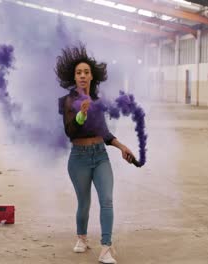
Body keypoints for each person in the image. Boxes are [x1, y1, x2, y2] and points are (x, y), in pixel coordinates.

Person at [56, 44, 134, 264]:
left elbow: (104, 132)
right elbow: (70, 130)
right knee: (84, 202)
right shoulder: (67, 101)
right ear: (74, 77)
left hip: (100, 156)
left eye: (86, 72)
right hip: (78, 158)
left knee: (107, 200)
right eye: (79, 73)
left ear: (92, 76)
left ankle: (106, 248)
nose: (82, 75)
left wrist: (121, 146)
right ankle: (81, 238)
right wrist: (81, 114)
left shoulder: (98, 102)